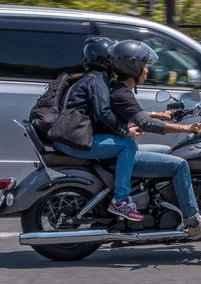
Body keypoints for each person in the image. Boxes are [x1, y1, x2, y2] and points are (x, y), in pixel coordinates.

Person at [98, 39, 201, 237]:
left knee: (167, 152)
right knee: (179, 165)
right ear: (133, 68)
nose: (147, 70)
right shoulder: (122, 94)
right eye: (144, 65)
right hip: (119, 155)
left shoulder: (118, 90)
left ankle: (183, 198)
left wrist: (161, 115)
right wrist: (187, 128)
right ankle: (194, 221)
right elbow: (145, 124)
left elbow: (137, 115)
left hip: (119, 150)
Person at [51, 37, 145, 222]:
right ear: (105, 60)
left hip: (69, 138)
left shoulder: (88, 78)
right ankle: (121, 200)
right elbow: (103, 113)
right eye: (112, 58)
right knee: (128, 146)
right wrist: (125, 132)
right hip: (75, 141)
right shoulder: (98, 79)